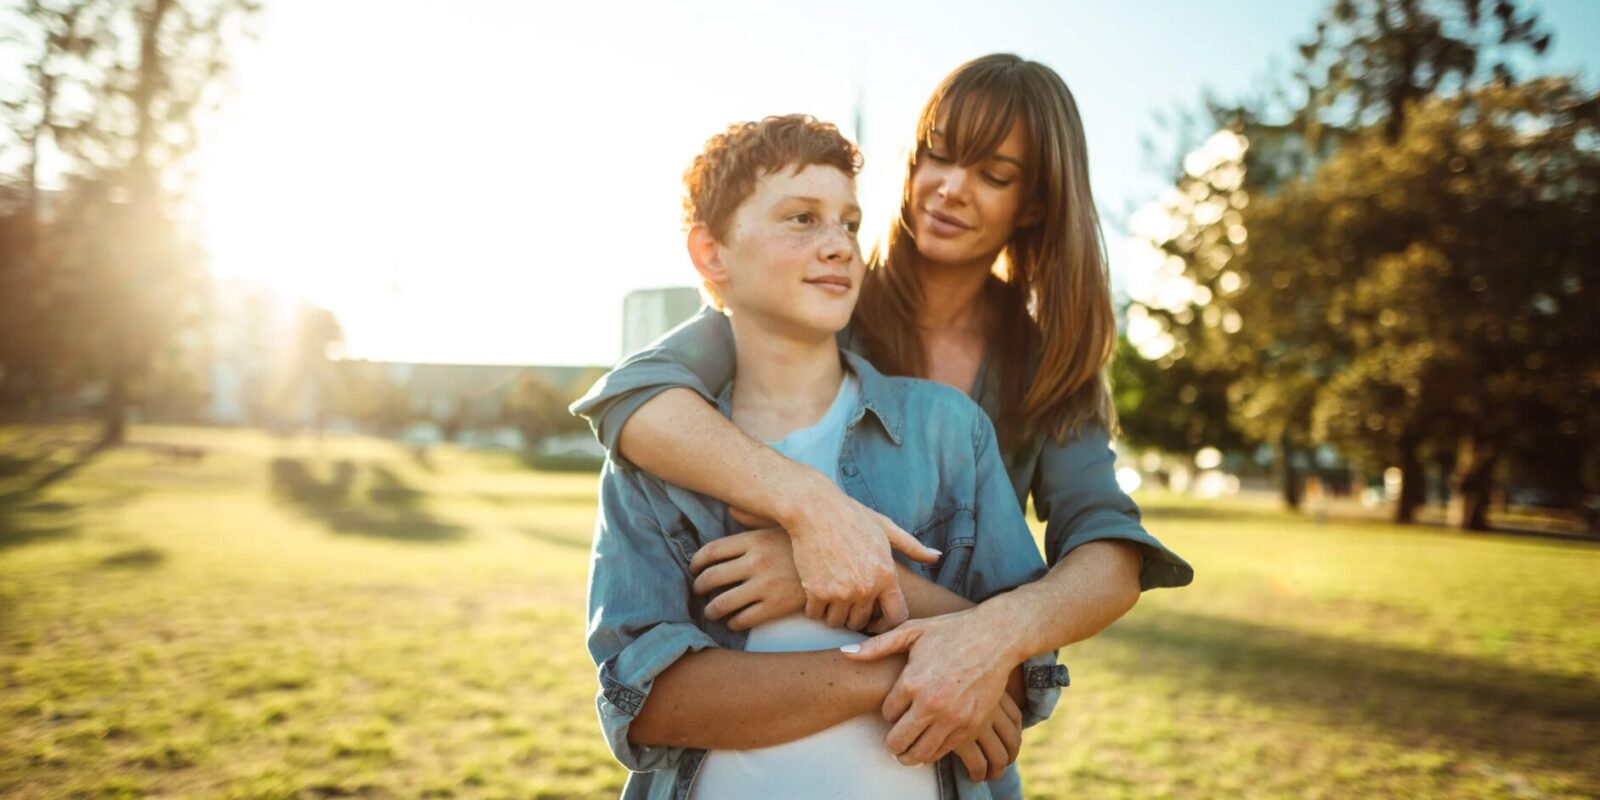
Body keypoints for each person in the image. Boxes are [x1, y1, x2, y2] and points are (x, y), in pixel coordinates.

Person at [574, 53, 1195, 770]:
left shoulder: (1046, 363)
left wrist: (987, 639)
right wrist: (813, 509)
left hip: (934, 747)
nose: (950, 188)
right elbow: (637, 399)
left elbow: (1111, 554)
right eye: (938, 154)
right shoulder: (818, 297)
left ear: (1033, 205)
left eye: (993, 175)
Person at [586, 114, 1065, 799]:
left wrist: (831, 580)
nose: (839, 245)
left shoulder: (948, 429)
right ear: (711, 253)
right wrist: (914, 669)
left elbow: (1025, 674)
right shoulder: (658, 452)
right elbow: (650, 702)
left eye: (849, 223)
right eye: (802, 218)